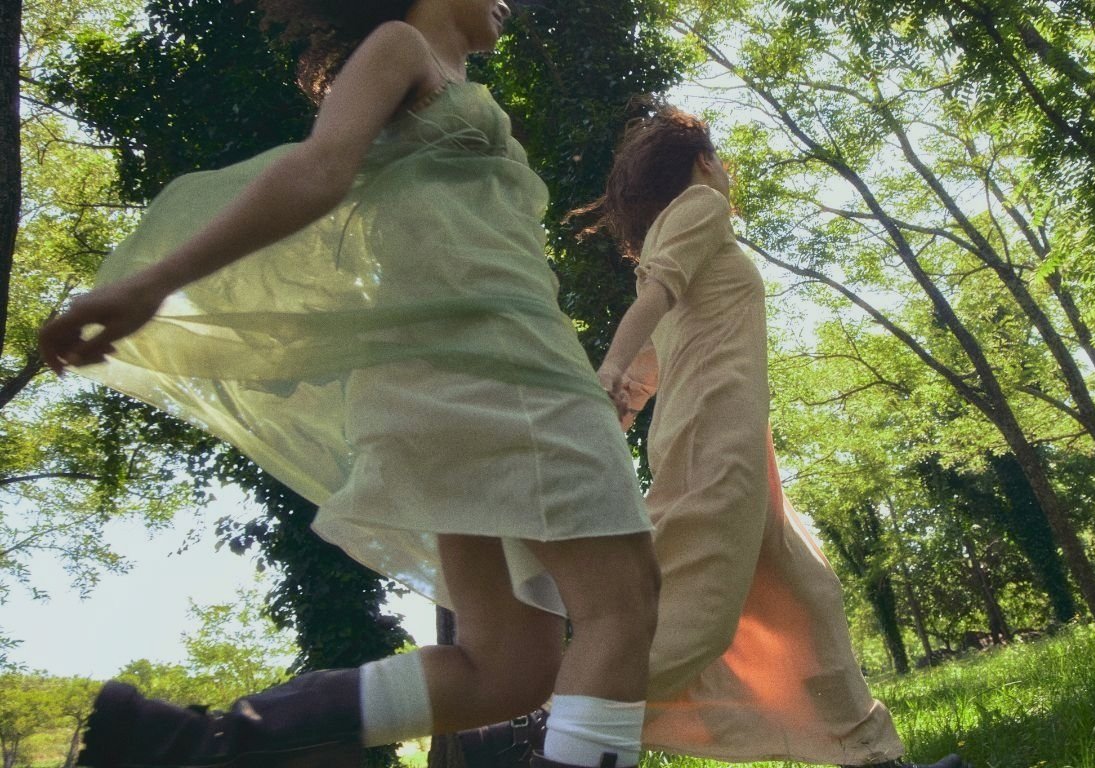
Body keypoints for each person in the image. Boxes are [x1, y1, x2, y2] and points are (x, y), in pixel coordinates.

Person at [37, 2, 661, 768]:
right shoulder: (401, 46)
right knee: (622, 605)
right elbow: (318, 168)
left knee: (506, 669)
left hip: (468, 377)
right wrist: (155, 284)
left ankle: (197, 744)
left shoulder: (451, 79)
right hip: (500, 369)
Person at [455, 107, 965, 768]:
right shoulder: (700, 207)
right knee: (692, 619)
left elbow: (654, 359)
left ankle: (871, 756)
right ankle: (534, 730)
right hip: (715, 442)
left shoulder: (676, 239)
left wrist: (624, 396)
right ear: (702, 161)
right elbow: (654, 308)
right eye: (718, 158)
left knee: (811, 598)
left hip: (735, 443)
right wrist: (607, 376)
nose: (725, 172)